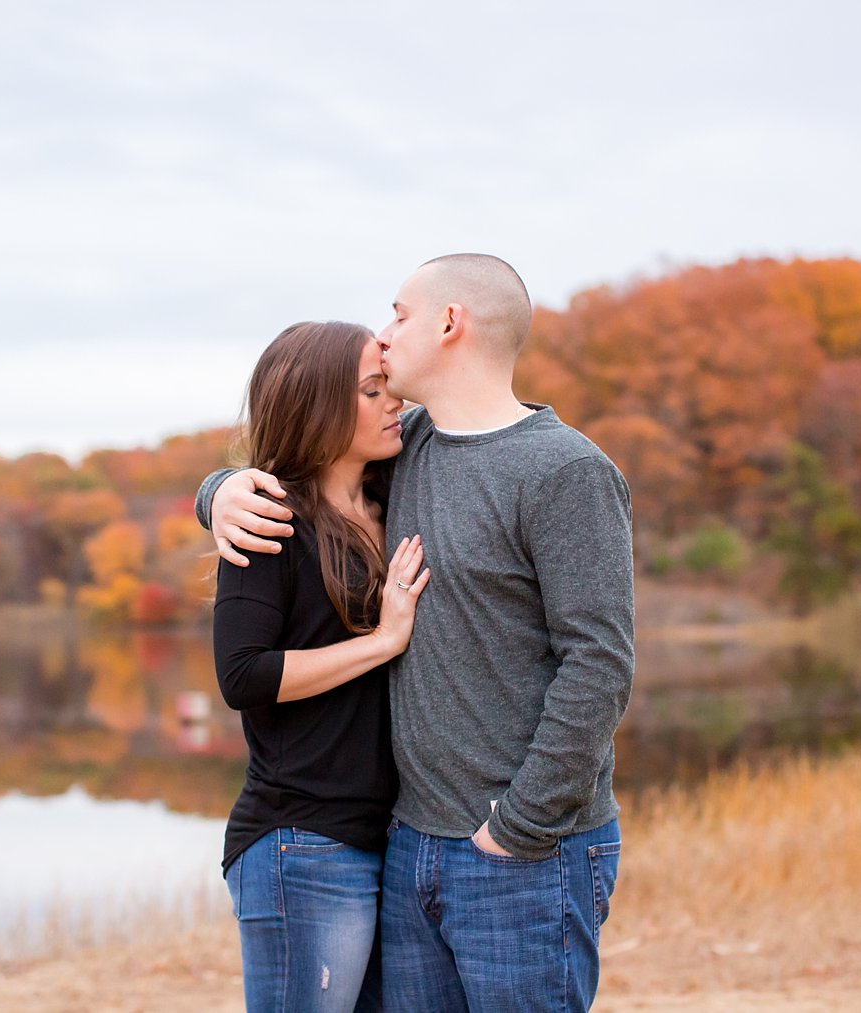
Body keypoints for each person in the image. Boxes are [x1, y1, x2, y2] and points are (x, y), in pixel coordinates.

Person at [198, 255, 634, 1011]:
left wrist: (517, 827)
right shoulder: (411, 450)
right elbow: (303, 457)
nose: (386, 334)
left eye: (399, 314)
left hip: (517, 850)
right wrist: (222, 490)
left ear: (449, 323)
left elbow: (598, 665)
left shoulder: (564, 470)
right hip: (406, 848)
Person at [212, 319, 432, 1012]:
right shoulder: (269, 518)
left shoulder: (396, 499)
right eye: (373, 391)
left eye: (389, 386)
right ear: (321, 407)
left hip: (386, 838)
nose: (394, 401)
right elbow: (242, 675)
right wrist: (381, 639)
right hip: (300, 841)